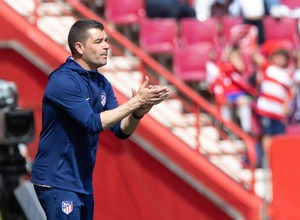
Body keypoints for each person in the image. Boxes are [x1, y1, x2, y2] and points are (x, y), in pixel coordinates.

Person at [30, 18, 170, 220]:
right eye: (98, 41)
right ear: (79, 47)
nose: (106, 46)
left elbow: (121, 130)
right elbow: (93, 123)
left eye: (106, 40)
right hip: (57, 180)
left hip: (82, 182)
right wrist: (134, 102)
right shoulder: (63, 80)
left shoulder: (101, 82)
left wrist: (139, 111)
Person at [252, 39, 293, 165]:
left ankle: (278, 160)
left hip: (278, 112)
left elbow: (288, 94)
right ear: (272, 57)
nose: (280, 59)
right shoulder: (268, 68)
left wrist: (287, 107)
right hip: (266, 109)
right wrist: (252, 40)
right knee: (267, 136)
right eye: (277, 56)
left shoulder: (287, 75)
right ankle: (269, 161)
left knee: (279, 138)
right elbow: (256, 57)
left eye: (282, 56)